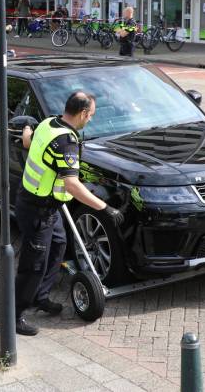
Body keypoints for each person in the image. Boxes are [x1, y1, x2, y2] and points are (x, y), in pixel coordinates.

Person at [14, 92, 123, 336]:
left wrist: (27, 129)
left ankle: (40, 297)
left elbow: (28, 143)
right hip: (36, 209)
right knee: (33, 265)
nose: (90, 120)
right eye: (91, 116)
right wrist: (104, 207)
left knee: (59, 246)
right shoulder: (65, 142)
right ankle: (15, 315)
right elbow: (72, 185)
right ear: (83, 113)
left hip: (47, 207)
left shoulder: (48, 123)